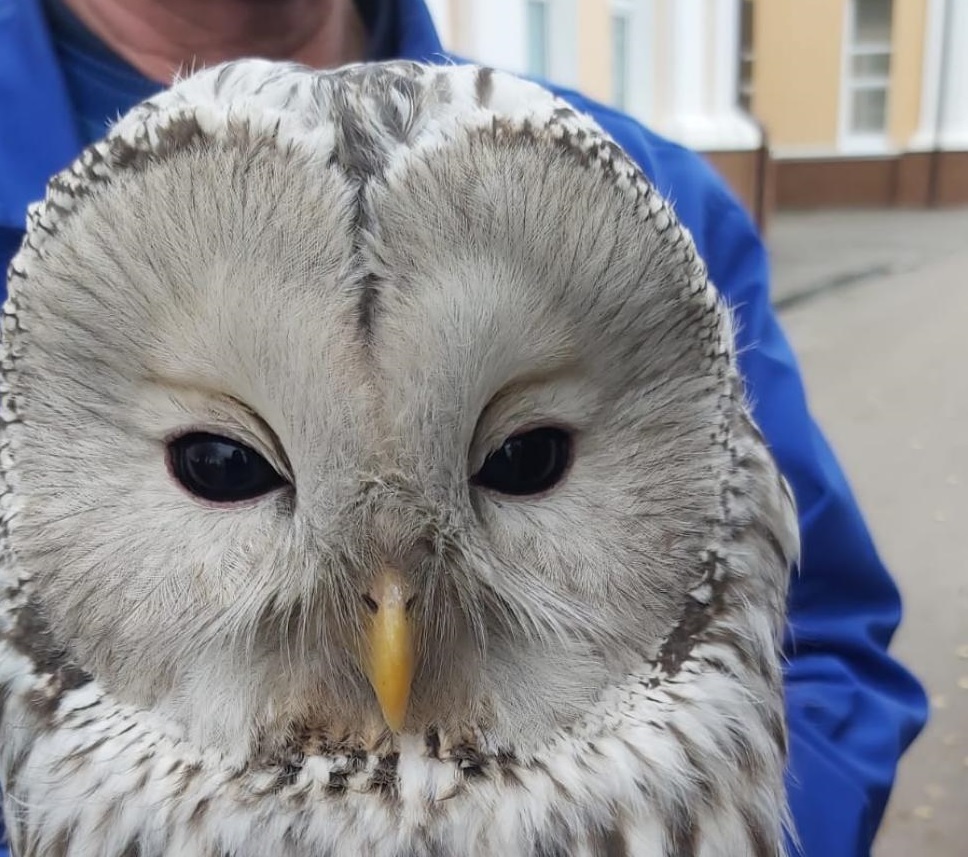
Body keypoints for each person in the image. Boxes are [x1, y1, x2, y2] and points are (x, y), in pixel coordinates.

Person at [0, 0, 927, 854]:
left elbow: (829, 635)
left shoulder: (657, 190)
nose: (387, 615)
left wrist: (697, 818)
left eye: (525, 458)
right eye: (221, 464)